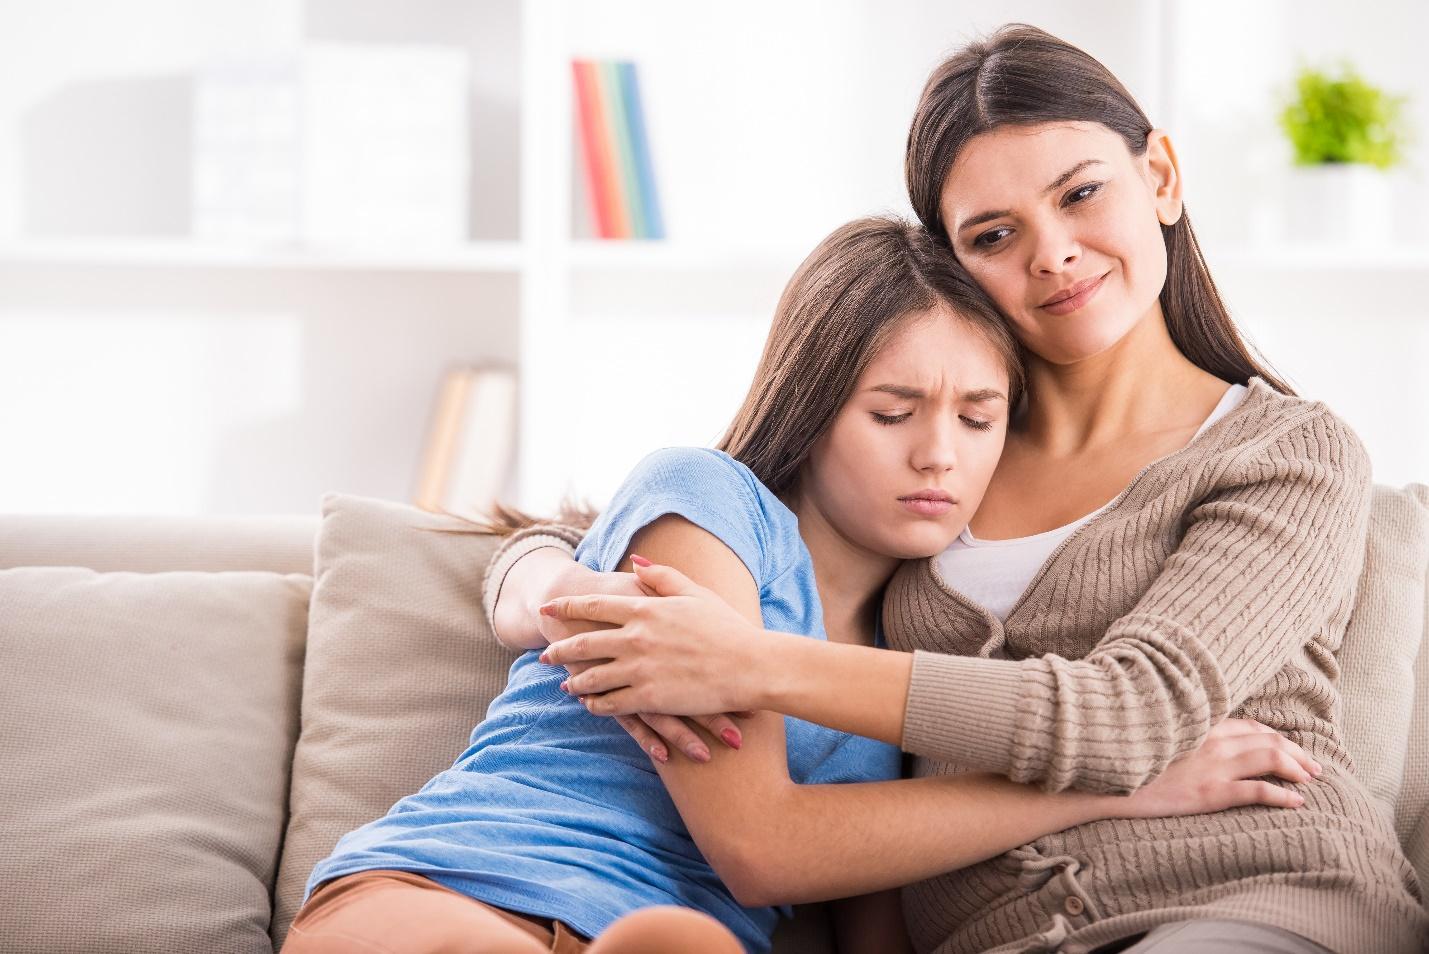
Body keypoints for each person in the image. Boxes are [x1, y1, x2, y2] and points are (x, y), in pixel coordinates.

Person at [489, 24, 1428, 954]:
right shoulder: (934, 460)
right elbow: (693, 515)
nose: (1051, 253)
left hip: (1256, 894)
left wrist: (747, 662)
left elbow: (1133, 713)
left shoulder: (1286, 453)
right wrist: (541, 578)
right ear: (952, 266)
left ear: (1161, 178)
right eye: (993, 234)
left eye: (1081, 193)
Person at [284, 218, 1314, 954]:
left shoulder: (910, 652)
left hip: (670, 940)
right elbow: (761, 847)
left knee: (677, 943)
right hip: (461, 886)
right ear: (813, 408)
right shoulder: (705, 504)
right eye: (891, 412)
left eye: (977, 416)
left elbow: (870, 913)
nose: (938, 456)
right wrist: (1113, 787)